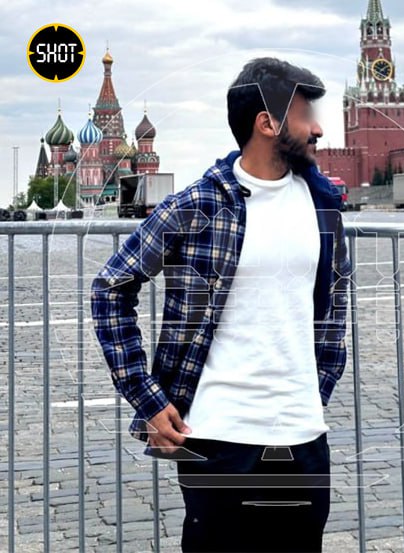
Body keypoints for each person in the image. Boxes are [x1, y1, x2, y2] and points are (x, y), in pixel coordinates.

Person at [90, 56, 353, 553]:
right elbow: (110, 288)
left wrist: (318, 386)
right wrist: (148, 397)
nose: (318, 129)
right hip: (220, 438)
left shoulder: (324, 207)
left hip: (305, 437)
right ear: (267, 123)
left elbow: (333, 307)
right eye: (304, 115)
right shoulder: (199, 205)